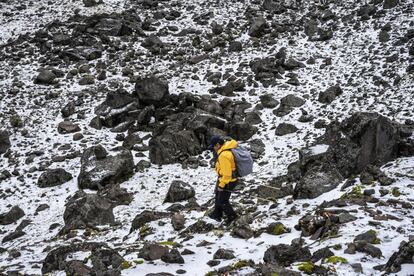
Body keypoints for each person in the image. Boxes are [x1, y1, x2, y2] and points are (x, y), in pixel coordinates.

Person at [208, 135, 238, 225]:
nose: (213, 148)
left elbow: (227, 174)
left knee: (223, 200)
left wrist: (222, 185)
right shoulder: (225, 149)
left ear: (218, 144)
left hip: (228, 181)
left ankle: (232, 216)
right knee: (218, 195)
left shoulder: (224, 155)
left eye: (213, 146)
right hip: (224, 178)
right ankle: (217, 214)